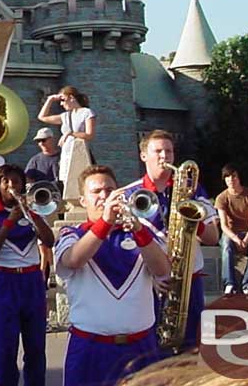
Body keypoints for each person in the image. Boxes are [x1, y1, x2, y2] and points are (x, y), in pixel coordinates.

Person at [55, 165, 170, 385]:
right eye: (96, 192)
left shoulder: (142, 232)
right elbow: (73, 260)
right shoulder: (72, 233)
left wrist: (138, 228)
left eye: (109, 190)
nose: (104, 196)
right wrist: (105, 223)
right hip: (90, 348)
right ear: (83, 201)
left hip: (141, 347)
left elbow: (163, 270)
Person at [120, 129, 219, 351]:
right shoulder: (129, 195)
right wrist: (150, 277)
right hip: (149, 284)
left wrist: (192, 217)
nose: (164, 156)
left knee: (192, 349)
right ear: (143, 155)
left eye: (169, 151)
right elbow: (124, 247)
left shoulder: (193, 190)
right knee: (152, 349)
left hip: (189, 281)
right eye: (158, 151)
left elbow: (213, 237)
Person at [0, 163, 56, 386]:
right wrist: (9, 221)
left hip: (31, 281)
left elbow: (49, 241)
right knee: (5, 345)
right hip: (4, 280)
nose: (11, 186)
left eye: (16, 182)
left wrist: (32, 213)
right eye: (6, 182)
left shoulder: (32, 211)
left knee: (36, 346)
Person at [37, 86, 96, 198]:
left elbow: (89, 135)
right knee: (66, 183)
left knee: (82, 181)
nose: (61, 104)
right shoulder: (65, 116)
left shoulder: (87, 113)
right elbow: (42, 117)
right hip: (66, 154)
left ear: (71, 98)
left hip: (80, 152)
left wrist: (70, 133)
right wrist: (50, 99)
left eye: (63, 100)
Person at [215, 163, 248, 295]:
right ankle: (229, 284)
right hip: (231, 233)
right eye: (227, 177)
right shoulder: (221, 198)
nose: (231, 180)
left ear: (239, 177)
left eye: (233, 176)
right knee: (226, 246)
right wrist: (235, 239)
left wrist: (246, 239)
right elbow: (223, 225)